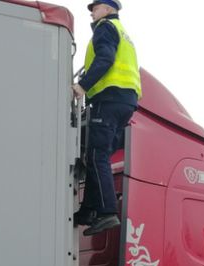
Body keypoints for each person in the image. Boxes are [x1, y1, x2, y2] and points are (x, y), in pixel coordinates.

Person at [72, 0, 141, 236]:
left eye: (96, 7)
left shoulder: (105, 27)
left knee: (96, 155)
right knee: (97, 155)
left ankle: (106, 212)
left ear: (109, 9)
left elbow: (105, 59)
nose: (92, 12)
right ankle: (89, 209)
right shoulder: (123, 33)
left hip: (109, 98)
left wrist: (82, 86)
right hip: (125, 103)